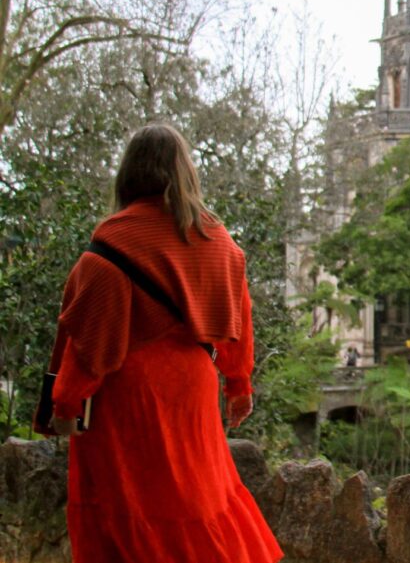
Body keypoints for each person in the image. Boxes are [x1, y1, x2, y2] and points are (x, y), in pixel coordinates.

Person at [48, 124, 283, 563]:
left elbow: (89, 343)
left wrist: (65, 403)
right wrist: (238, 384)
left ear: (128, 174)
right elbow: (239, 317)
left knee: (129, 507)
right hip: (193, 387)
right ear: (185, 172)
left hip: (127, 396)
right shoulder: (218, 242)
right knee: (199, 497)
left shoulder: (111, 245)